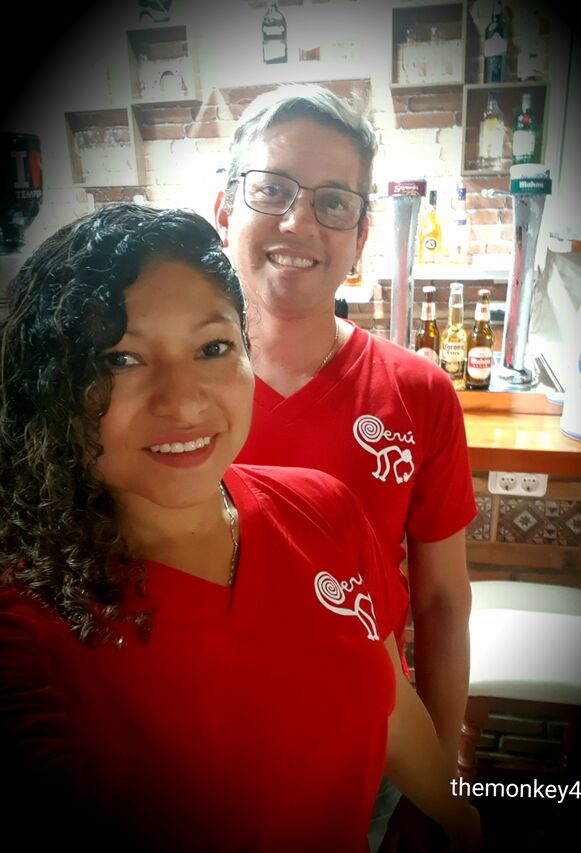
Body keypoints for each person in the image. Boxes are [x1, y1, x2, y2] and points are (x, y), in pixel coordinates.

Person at [0, 202, 480, 852]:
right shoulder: (32, 626)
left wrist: (458, 817)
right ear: (52, 387)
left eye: (212, 348)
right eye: (121, 359)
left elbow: (388, 703)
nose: (183, 400)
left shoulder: (324, 510)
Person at [213, 83, 478, 849]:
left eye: (333, 202)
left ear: (361, 238)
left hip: (369, 745)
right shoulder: (168, 396)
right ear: (224, 210)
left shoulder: (419, 393)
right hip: (201, 745)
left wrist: (440, 776)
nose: (299, 221)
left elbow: (441, 601)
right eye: (272, 188)